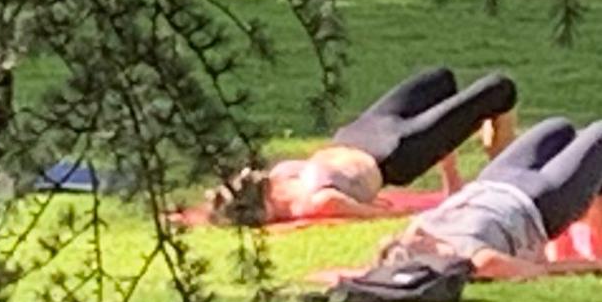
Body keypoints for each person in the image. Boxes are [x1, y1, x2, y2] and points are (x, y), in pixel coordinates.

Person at [207, 68, 517, 226]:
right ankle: (502, 159)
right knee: (500, 88)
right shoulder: (314, 203)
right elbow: (385, 214)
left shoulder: (280, 175)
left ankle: (479, 134)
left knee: (441, 79)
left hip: (362, 132)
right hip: (396, 156)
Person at [375, 117, 602, 281]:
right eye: (409, 243)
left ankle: (570, 243)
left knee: (559, 128)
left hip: (494, 180)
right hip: (540, 201)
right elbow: (542, 272)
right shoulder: (477, 259)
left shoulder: (422, 228)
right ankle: (600, 246)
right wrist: (595, 264)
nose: (406, 236)